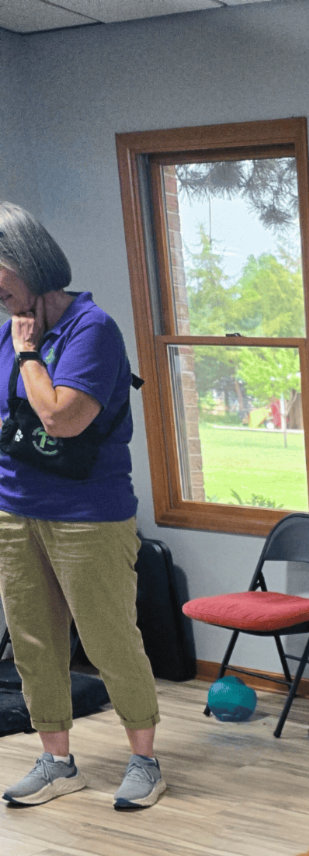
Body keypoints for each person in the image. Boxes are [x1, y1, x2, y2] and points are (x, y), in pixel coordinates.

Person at [0, 202, 165, 810]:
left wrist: (26, 353)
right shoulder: (11, 327)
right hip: (15, 510)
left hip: (89, 515)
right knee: (33, 641)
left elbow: (61, 417)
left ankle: (144, 761)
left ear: (29, 265)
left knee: (108, 640)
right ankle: (57, 760)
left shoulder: (92, 330)